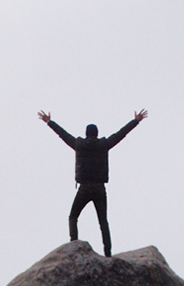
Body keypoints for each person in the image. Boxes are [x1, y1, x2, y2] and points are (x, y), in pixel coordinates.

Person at [38, 109, 147, 257]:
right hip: (99, 188)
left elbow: (63, 135)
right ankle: (108, 253)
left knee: (73, 217)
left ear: (86, 133)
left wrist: (49, 122)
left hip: (84, 188)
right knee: (103, 222)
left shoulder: (79, 144)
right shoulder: (104, 144)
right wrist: (135, 121)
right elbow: (121, 134)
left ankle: (74, 246)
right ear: (96, 134)